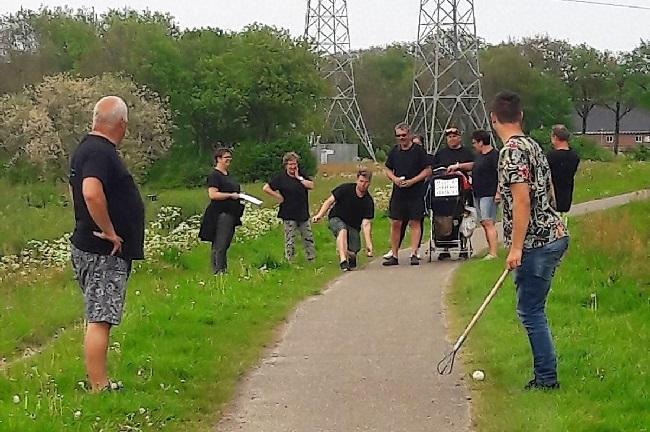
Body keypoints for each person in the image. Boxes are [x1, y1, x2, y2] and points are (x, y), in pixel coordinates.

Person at [491, 90, 569, 390]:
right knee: (533, 308)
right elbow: (547, 190)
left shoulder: (510, 151)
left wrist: (516, 247)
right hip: (554, 233)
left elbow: (522, 201)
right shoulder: (533, 145)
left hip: (538, 243)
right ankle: (545, 374)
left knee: (530, 311)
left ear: (493, 119)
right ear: (520, 116)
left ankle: (546, 379)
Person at [69, 96, 145, 393]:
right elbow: (90, 192)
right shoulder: (100, 152)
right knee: (100, 317)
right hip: (103, 250)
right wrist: (109, 231)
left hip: (91, 244)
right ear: (122, 124)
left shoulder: (86, 149)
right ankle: (99, 385)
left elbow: (74, 190)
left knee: (98, 315)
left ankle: (97, 379)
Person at [383, 123, 432, 266]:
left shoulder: (418, 151)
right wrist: (395, 179)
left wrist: (413, 181)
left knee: (415, 221)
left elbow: (428, 170)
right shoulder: (394, 151)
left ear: (409, 135)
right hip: (398, 192)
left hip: (415, 191)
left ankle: (414, 253)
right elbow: (387, 169)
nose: (401, 138)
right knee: (396, 223)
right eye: (398, 136)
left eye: (404, 135)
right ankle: (394, 254)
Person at [449, 129, 500, 260]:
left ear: (481, 142)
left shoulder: (494, 155)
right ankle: (490, 249)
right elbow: (473, 165)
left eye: (474, 143)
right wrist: (458, 166)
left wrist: (498, 192)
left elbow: (500, 174)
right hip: (478, 192)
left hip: (489, 193)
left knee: (488, 221)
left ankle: (493, 252)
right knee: (483, 222)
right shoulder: (480, 156)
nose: (473, 145)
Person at [312, 169, 374, 272]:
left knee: (354, 250)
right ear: (357, 180)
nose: (363, 184)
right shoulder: (346, 189)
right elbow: (329, 201)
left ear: (369, 183)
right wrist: (319, 215)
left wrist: (369, 244)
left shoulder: (368, 201)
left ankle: (350, 256)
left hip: (353, 226)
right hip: (336, 218)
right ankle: (343, 261)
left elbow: (366, 224)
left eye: (366, 182)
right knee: (342, 230)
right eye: (361, 181)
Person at [431, 127, 475, 260]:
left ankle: (463, 246)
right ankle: (444, 247)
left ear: (459, 137)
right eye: (449, 136)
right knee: (442, 217)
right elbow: (434, 169)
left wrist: (458, 167)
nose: (452, 138)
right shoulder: (441, 154)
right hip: (443, 193)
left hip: (462, 191)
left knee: (461, 216)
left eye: (454, 136)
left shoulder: (466, 152)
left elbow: (473, 164)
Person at [263, 152, 316, 262]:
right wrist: (277, 196)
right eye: (290, 164)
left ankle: (311, 258)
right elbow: (266, 188)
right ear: (286, 165)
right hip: (288, 213)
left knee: (308, 237)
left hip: (302, 212)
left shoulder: (301, 175)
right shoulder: (281, 178)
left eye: (294, 164)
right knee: (290, 239)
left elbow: (311, 185)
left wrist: (298, 178)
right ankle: (290, 260)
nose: (293, 166)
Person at [198, 148, 245, 274]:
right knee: (220, 243)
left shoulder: (228, 176)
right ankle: (218, 271)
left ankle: (222, 269)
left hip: (231, 212)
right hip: (220, 213)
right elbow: (213, 195)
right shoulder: (214, 176)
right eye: (226, 157)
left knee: (225, 243)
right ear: (218, 159)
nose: (229, 160)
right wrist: (230, 195)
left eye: (230, 157)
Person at [546, 124, 580, 213]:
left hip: (552, 199)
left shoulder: (550, 157)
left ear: (555, 137)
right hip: (566, 197)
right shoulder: (574, 156)